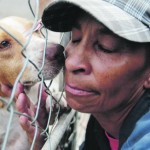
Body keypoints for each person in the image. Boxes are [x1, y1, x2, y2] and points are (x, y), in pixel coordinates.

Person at [1, 0, 150, 149]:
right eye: (75, 39)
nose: (70, 62)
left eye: (105, 47)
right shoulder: (102, 127)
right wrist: (41, 142)